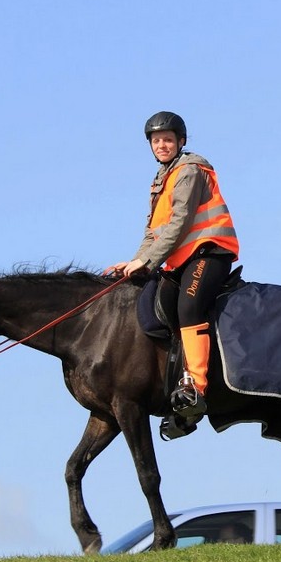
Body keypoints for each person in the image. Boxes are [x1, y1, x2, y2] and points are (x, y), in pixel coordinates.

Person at [110, 111, 239, 420]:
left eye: (167, 140)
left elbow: (180, 223)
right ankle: (172, 385)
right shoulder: (161, 180)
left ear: (180, 142)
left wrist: (147, 260)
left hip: (209, 253)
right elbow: (153, 232)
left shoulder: (189, 171)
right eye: (156, 141)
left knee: (188, 307)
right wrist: (135, 263)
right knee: (157, 308)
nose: (162, 145)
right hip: (182, 261)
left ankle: (196, 388)